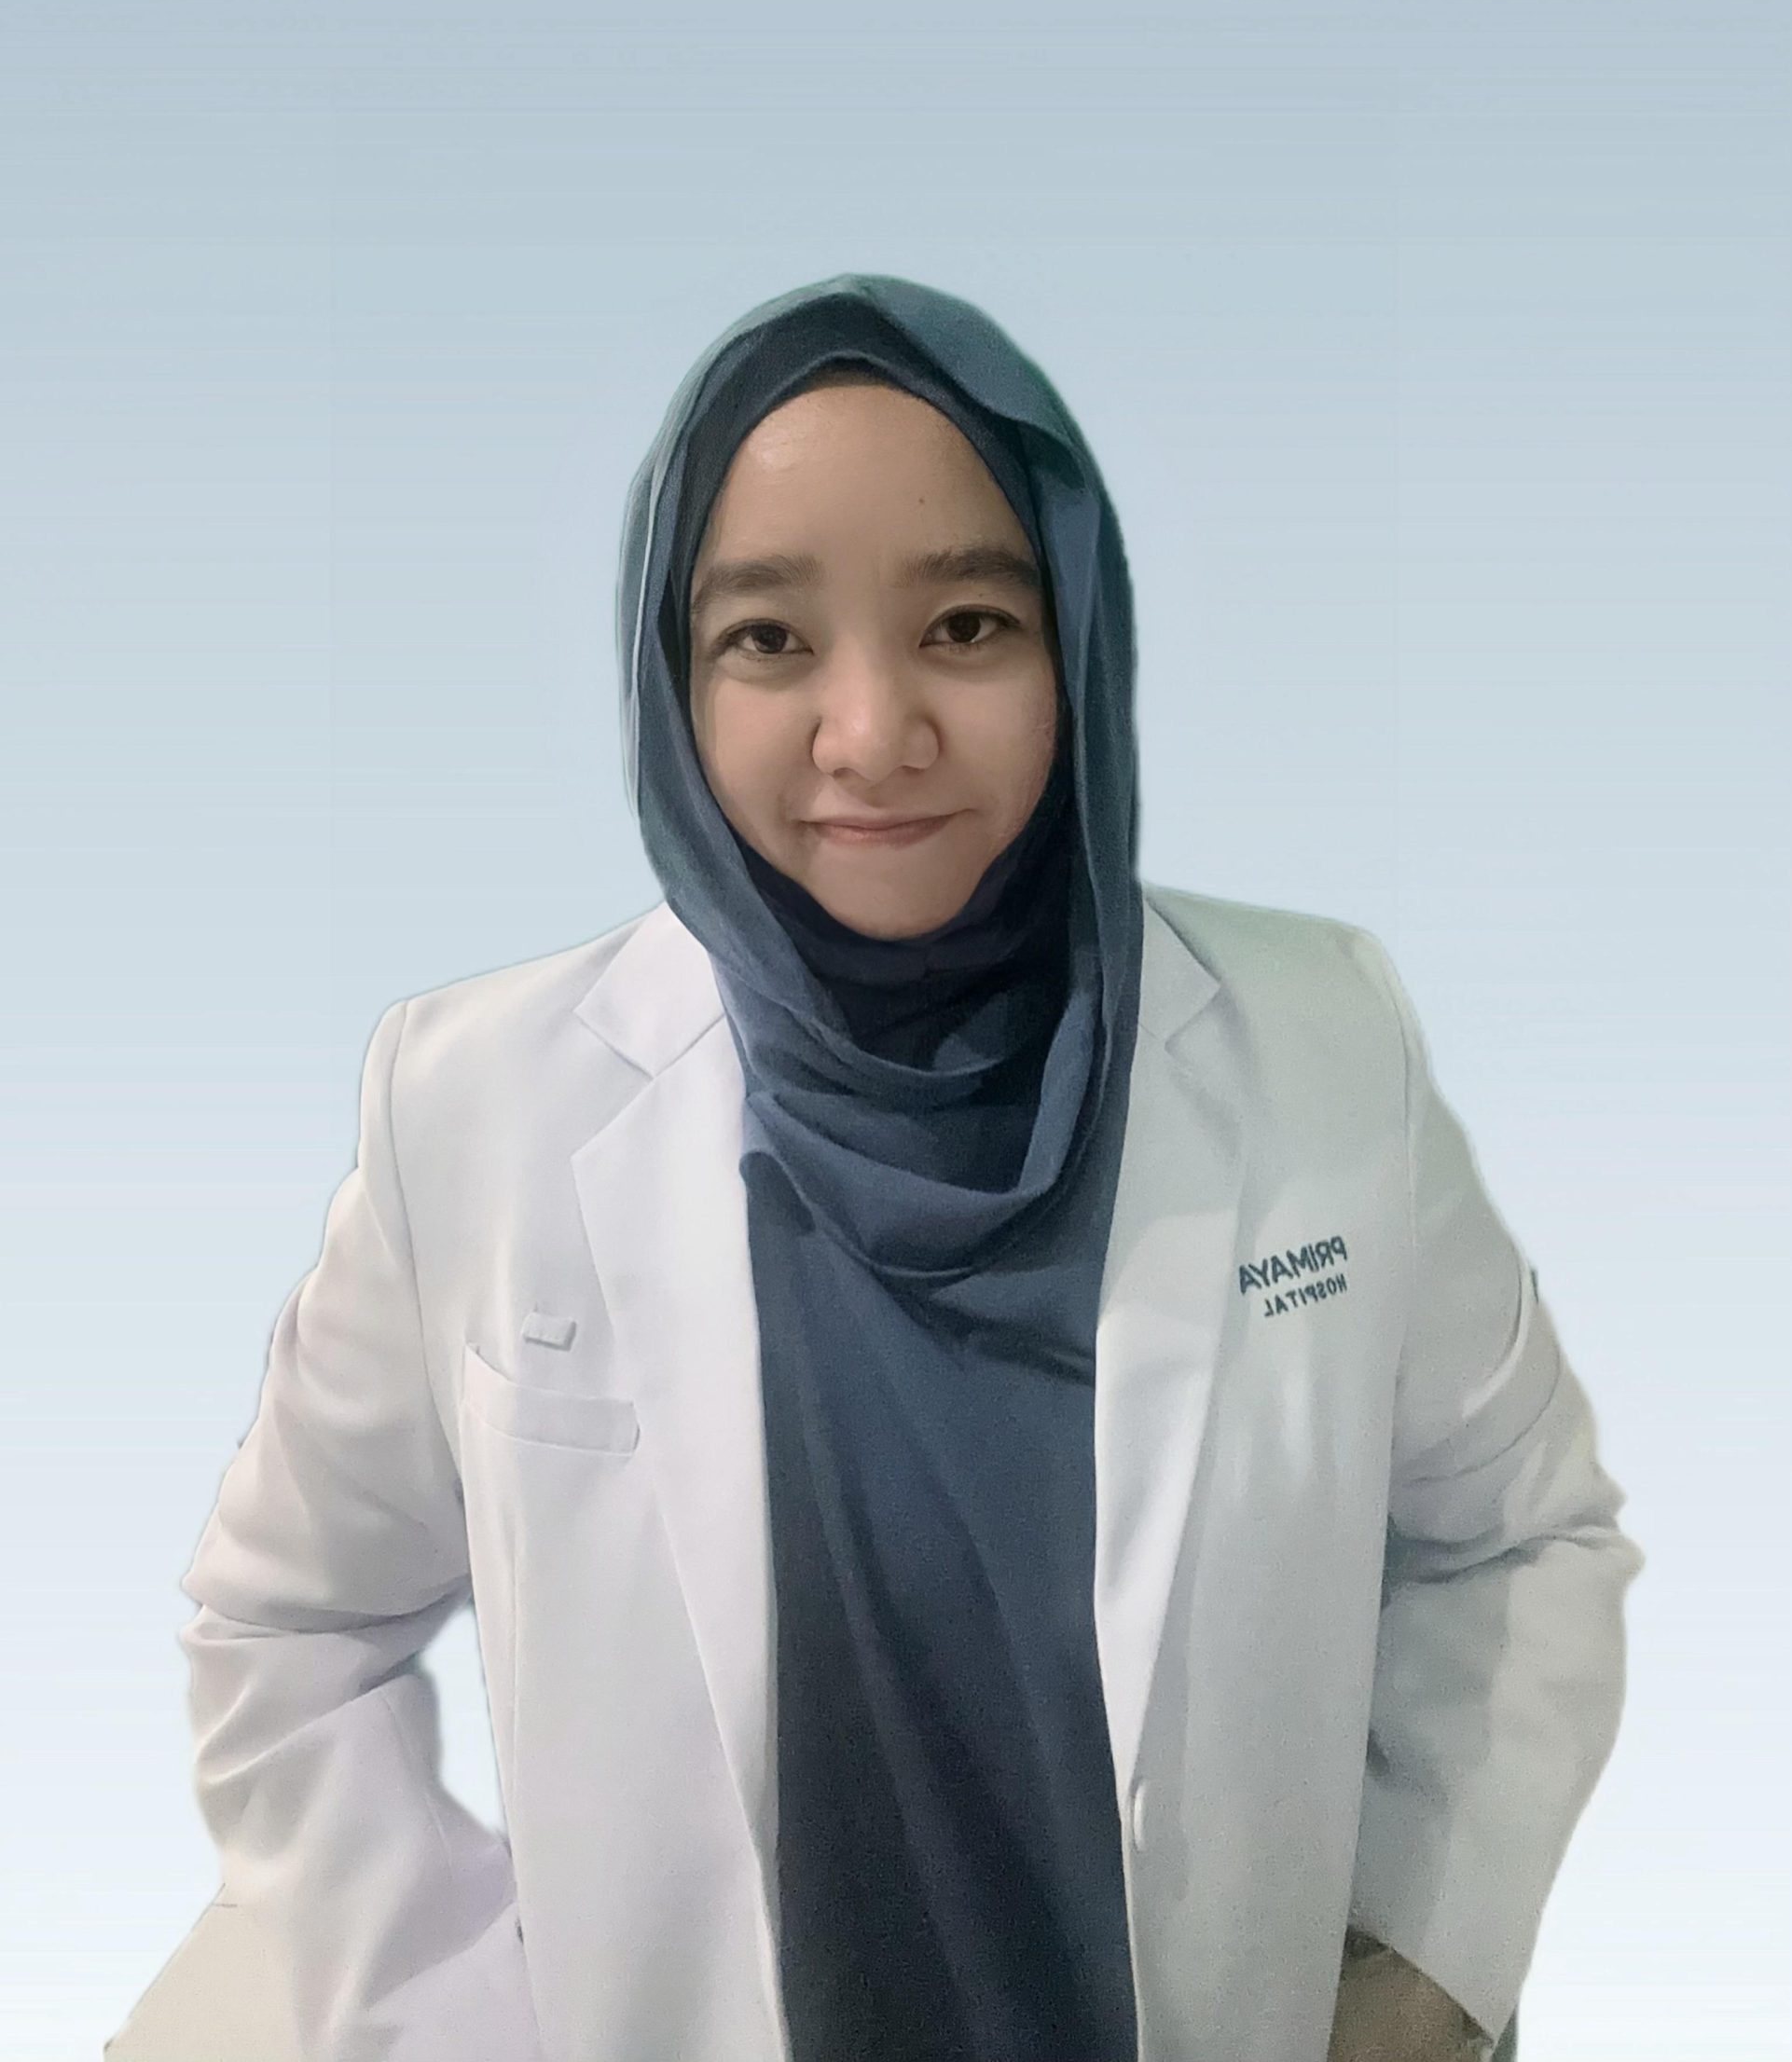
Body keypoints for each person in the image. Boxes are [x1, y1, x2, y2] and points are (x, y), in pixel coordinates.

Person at [176, 272, 1641, 2062]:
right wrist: (454, 2019)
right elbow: (285, 1626)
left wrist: (1418, 1968)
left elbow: (1521, 1539)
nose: (871, 735)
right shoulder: (475, 1104)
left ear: (1075, 647)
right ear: (671, 680)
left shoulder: (1320, 1045)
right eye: (767, 639)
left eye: (964, 623)